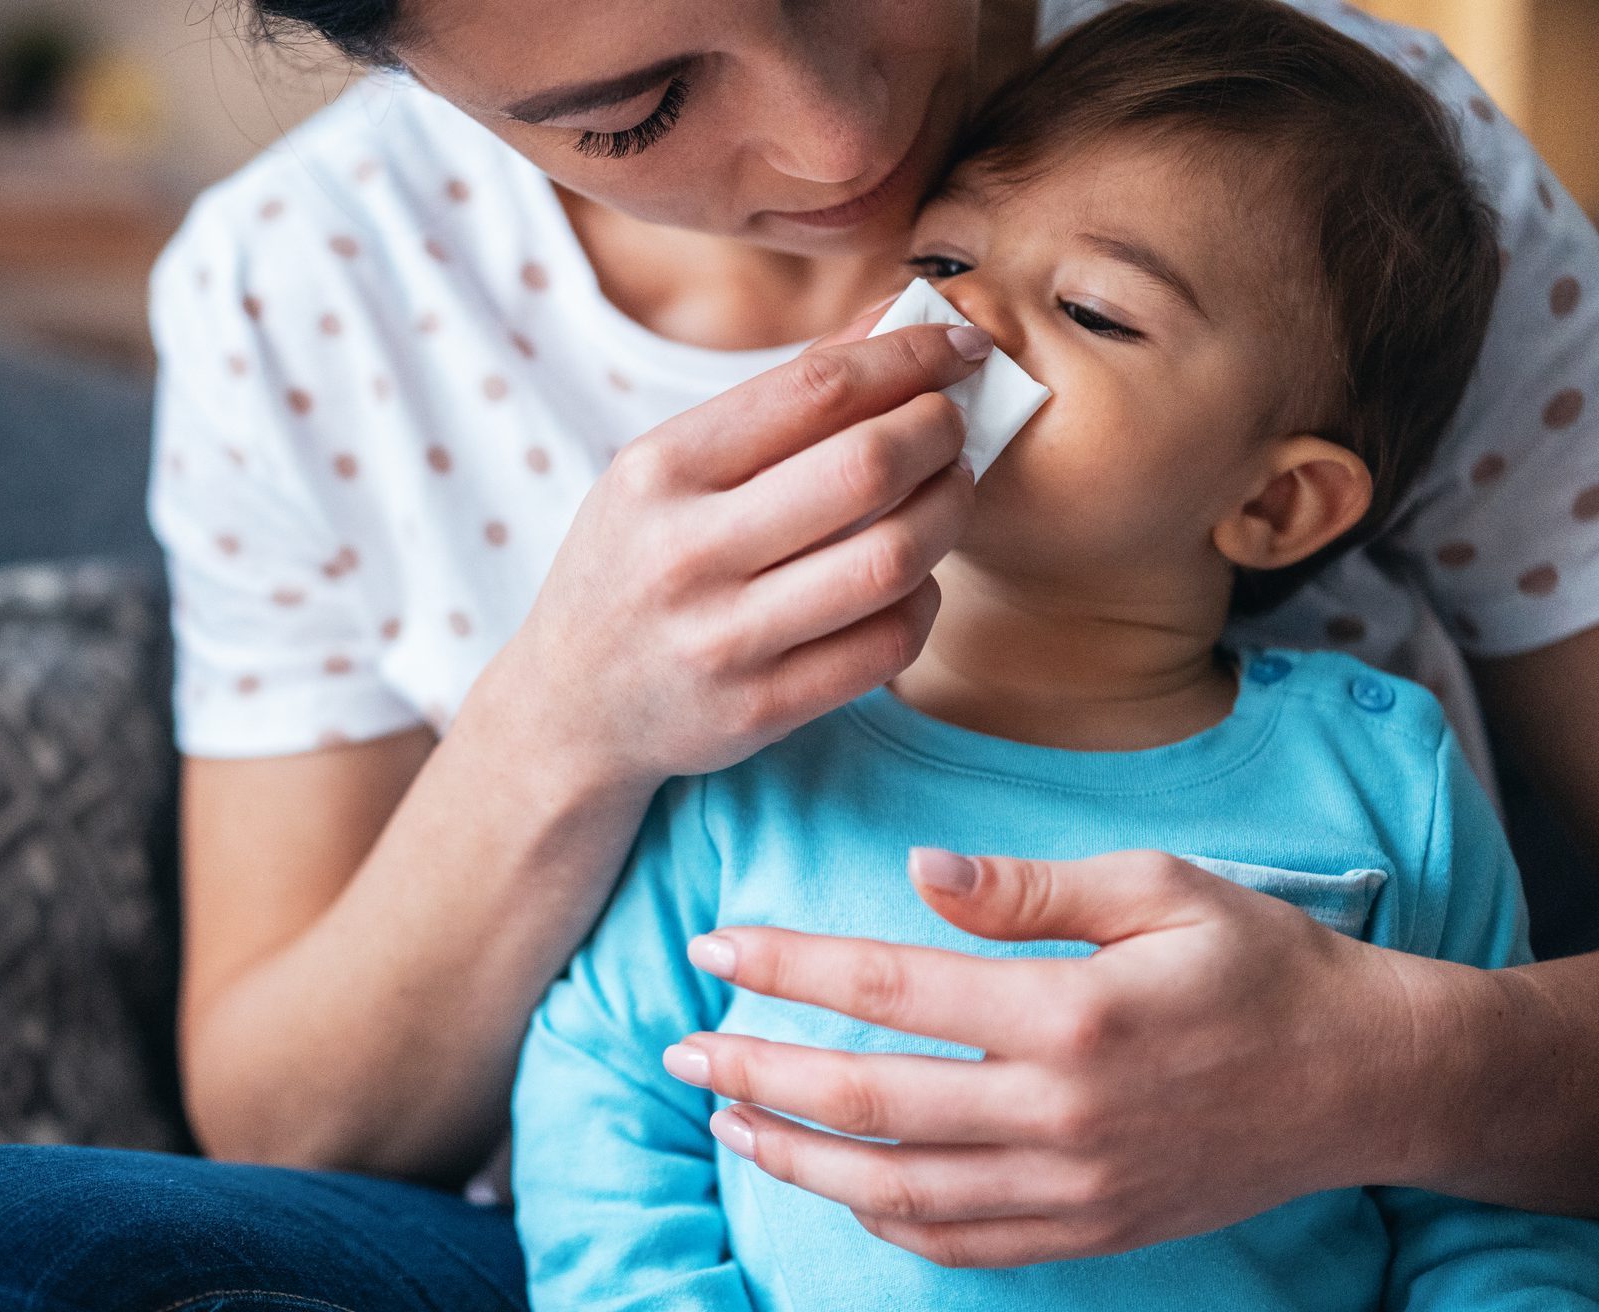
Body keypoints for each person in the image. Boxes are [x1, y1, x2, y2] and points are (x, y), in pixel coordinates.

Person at [0, 0, 1599, 1306]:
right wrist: (567, 717)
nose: (855, 136)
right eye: (636, 105)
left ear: (1284, 498)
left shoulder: (1325, 173)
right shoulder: (304, 296)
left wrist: (1393, 1066)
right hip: (650, 1260)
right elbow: (333, 1120)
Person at [511, 4, 1599, 1307]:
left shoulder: (1381, 779)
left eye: (1091, 310)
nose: (969, 328)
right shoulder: (757, 741)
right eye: (944, 258)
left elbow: (1489, 1208)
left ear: (1274, 506)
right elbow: (604, 1092)